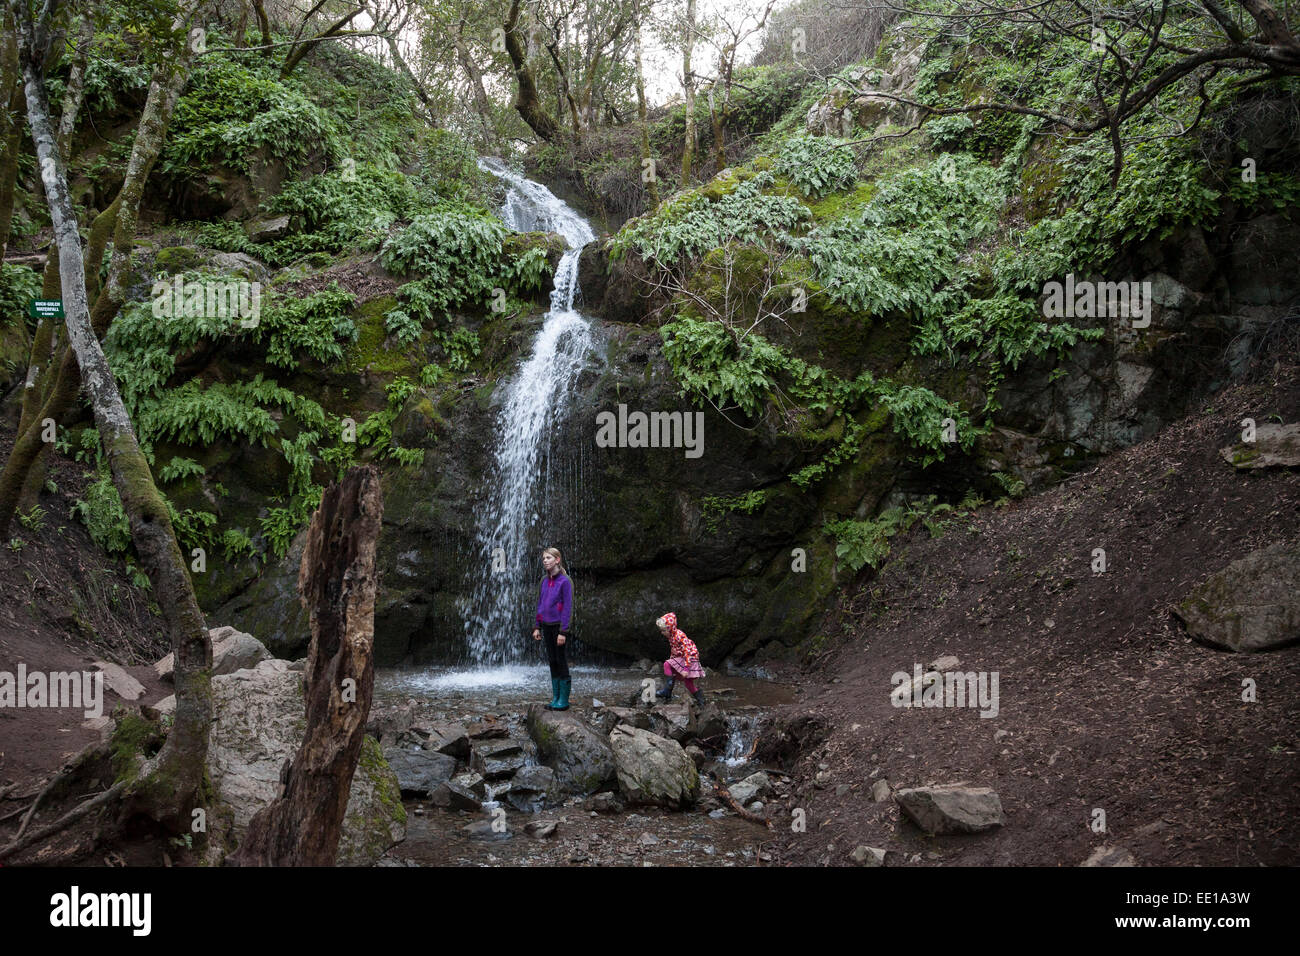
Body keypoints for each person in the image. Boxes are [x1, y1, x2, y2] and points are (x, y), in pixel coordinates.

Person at [532, 547, 573, 710]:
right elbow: (540, 604)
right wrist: (537, 626)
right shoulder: (544, 580)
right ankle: (555, 697)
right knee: (552, 660)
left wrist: (564, 631)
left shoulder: (565, 581)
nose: (545, 561)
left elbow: (568, 607)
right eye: (543, 558)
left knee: (560, 660)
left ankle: (564, 700)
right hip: (546, 626)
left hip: (558, 627)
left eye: (548, 558)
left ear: (557, 560)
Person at [655, 612, 705, 705]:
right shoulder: (671, 637)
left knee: (686, 681)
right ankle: (668, 691)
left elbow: (687, 652)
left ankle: (700, 699)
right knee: (669, 667)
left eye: (664, 630)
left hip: (690, 659)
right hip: (682, 658)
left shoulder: (679, 635)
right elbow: (674, 651)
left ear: (671, 629)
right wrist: (673, 663)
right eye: (661, 631)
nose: (662, 633)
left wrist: (686, 669)